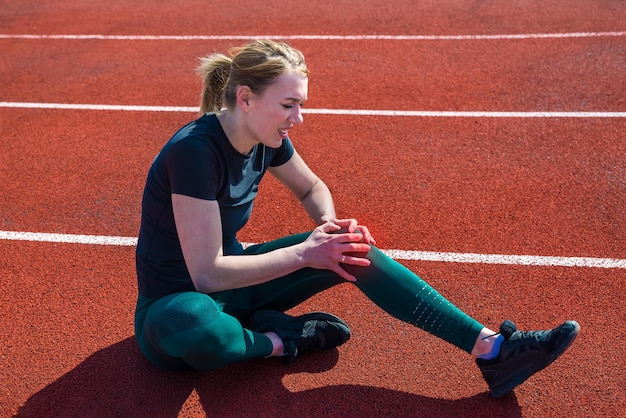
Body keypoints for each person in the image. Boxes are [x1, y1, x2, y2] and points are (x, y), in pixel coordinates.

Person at [134, 39, 579, 398]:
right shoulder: (194, 152)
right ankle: (281, 340)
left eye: (301, 105)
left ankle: (492, 350)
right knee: (196, 324)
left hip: (239, 290)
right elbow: (207, 274)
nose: (299, 118)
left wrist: (327, 228)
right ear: (246, 98)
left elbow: (312, 188)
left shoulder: (266, 137)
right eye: (289, 104)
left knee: (350, 250)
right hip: (173, 307)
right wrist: (307, 253)